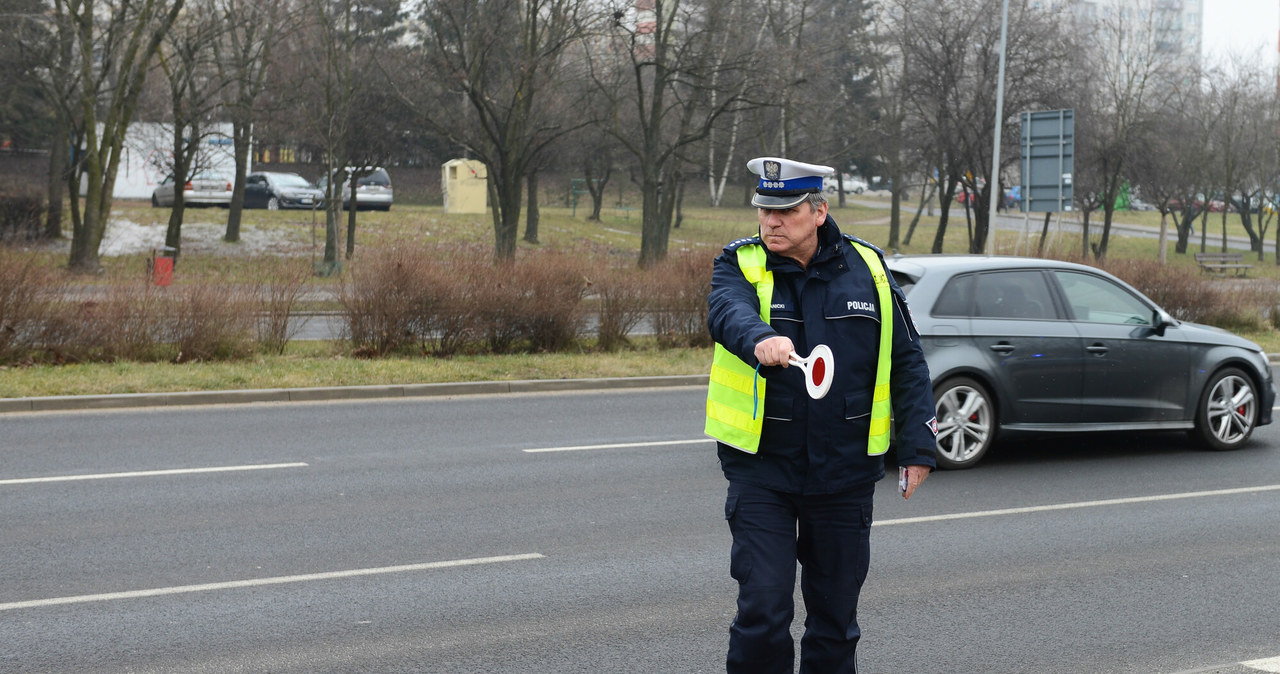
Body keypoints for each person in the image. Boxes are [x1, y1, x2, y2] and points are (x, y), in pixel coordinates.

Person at [705, 156, 939, 673]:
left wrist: (920, 446)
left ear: (818, 211)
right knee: (763, 610)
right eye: (764, 210)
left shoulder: (871, 269)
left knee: (834, 622)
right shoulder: (739, 263)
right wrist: (760, 337)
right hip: (763, 469)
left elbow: (907, 360)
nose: (770, 222)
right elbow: (727, 312)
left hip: (844, 473)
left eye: (785, 211)